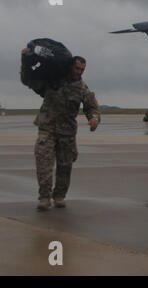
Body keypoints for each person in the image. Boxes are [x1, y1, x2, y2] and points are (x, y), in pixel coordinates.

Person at [20, 49, 101, 210]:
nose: (79, 72)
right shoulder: (53, 79)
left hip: (67, 133)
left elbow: (92, 107)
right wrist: (25, 60)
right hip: (47, 128)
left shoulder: (82, 88)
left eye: (82, 70)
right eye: (77, 68)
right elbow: (28, 80)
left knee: (65, 167)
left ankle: (59, 196)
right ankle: (44, 198)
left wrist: (93, 119)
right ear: (71, 66)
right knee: (43, 164)